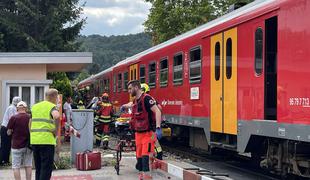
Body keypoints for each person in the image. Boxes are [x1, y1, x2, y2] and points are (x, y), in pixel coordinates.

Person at [127, 80, 162, 179]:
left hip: (147, 133)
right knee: (139, 160)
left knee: (145, 158)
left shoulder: (146, 98)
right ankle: (142, 176)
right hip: (138, 134)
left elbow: (157, 111)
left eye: (130, 89)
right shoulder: (136, 100)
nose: (129, 91)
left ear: (136, 88)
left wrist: (158, 127)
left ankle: (147, 176)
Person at [30, 88, 60, 180]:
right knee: (46, 168)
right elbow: (57, 116)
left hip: (35, 141)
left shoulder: (35, 106)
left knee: (38, 168)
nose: (58, 99)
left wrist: (31, 134)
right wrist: (55, 130)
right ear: (54, 97)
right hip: (46, 141)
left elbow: (30, 121)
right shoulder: (52, 106)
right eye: (57, 97)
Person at [7, 101, 32, 180]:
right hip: (28, 145)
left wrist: (11, 132)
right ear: (26, 108)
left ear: (17, 108)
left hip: (16, 145)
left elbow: (8, 132)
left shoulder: (13, 117)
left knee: (16, 167)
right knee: (28, 165)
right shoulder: (30, 117)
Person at [0, 96, 21, 165]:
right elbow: (12, 120)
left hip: (8, 128)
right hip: (6, 128)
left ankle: (6, 160)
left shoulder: (13, 108)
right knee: (5, 145)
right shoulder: (11, 108)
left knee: (7, 145)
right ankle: (3, 161)